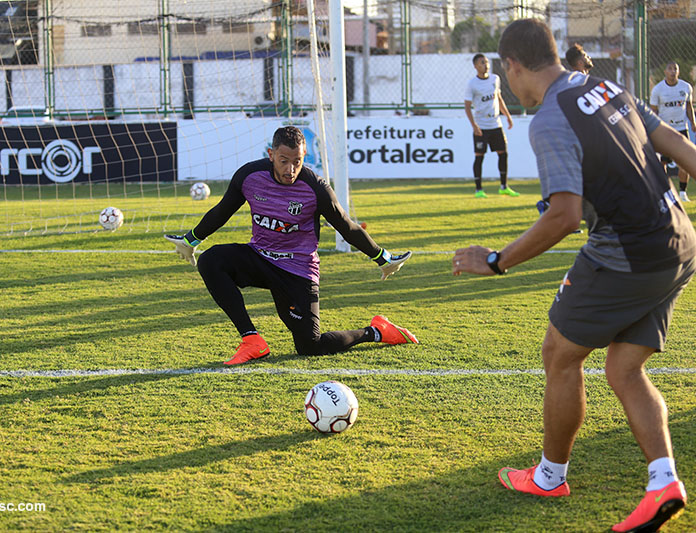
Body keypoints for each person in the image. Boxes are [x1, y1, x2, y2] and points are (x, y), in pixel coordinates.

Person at [453, 19, 696, 532]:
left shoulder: (549, 119)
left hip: (627, 252)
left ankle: (549, 475)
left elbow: (563, 217)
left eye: (507, 75)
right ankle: (664, 482)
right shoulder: (606, 85)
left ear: (513, 68)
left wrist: (496, 260)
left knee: (559, 355)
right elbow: (675, 142)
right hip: (680, 241)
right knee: (624, 368)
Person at [165, 126, 418, 365]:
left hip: (297, 271)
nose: (291, 169)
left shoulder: (316, 188)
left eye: (297, 161)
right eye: (284, 160)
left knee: (311, 347)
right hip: (260, 258)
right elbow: (223, 210)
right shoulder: (249, 176)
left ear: (304, 155)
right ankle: (251, 339)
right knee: (212, 260)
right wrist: (191, 239)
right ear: (271, 154)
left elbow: (346, 226)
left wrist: (382, 258)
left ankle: (377, 331)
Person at [464, 53, 518, 198]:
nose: (486, 65)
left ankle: (503, 186)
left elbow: (498, 98)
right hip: (481, 126)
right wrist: (474, 125)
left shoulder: (495, 79)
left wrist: (507, 116)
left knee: (503, 154)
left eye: (486, 62)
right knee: (479, 156)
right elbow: (467, 107)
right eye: (482, 62)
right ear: (475, 66)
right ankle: (478, 189)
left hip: (496, 124)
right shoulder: (472, 84)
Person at [650, 61, 696, 202]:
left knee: (684, 162)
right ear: (665, 72)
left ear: (678, 71)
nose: (672, 71)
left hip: (682, 129)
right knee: (663, 162)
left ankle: (682, 193)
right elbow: (653, 111)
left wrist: (693, 123)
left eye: (675, 69)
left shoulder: (686, 87)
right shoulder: (658, 90)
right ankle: (667, 192)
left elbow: (689, 107)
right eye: (670, 69)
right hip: (665, 130)